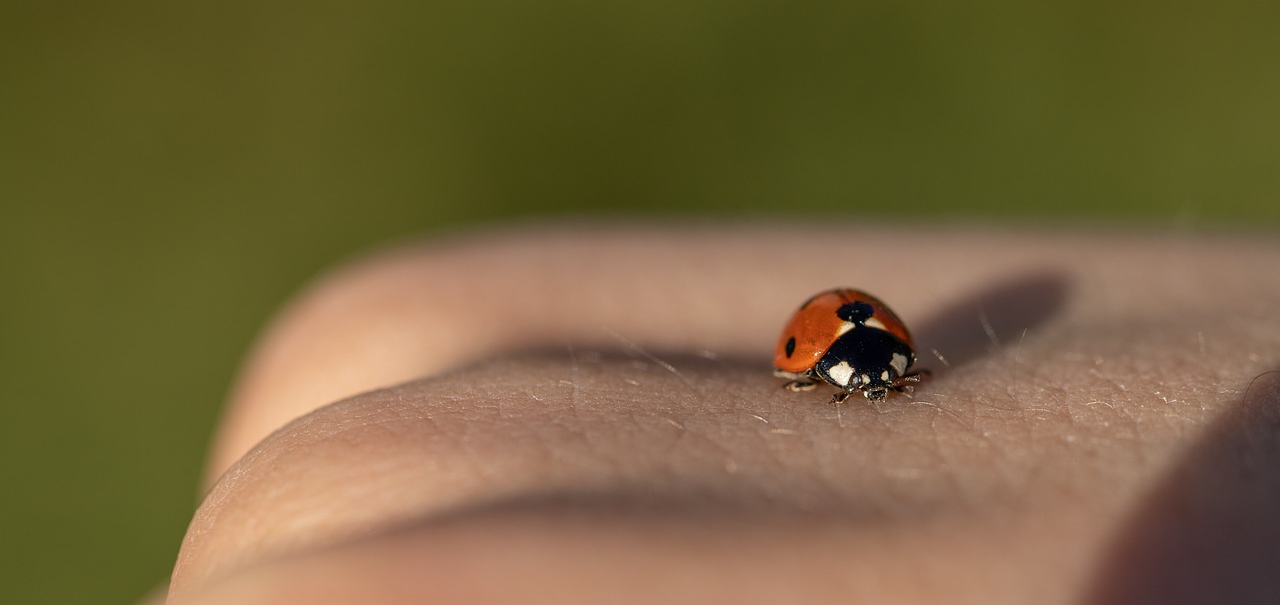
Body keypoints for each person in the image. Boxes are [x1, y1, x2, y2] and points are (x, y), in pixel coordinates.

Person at [160, 223, 1280, 604]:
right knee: (368, 344)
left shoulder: (859, 348)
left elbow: (863, 356)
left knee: (369, 346)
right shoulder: (836, 350)